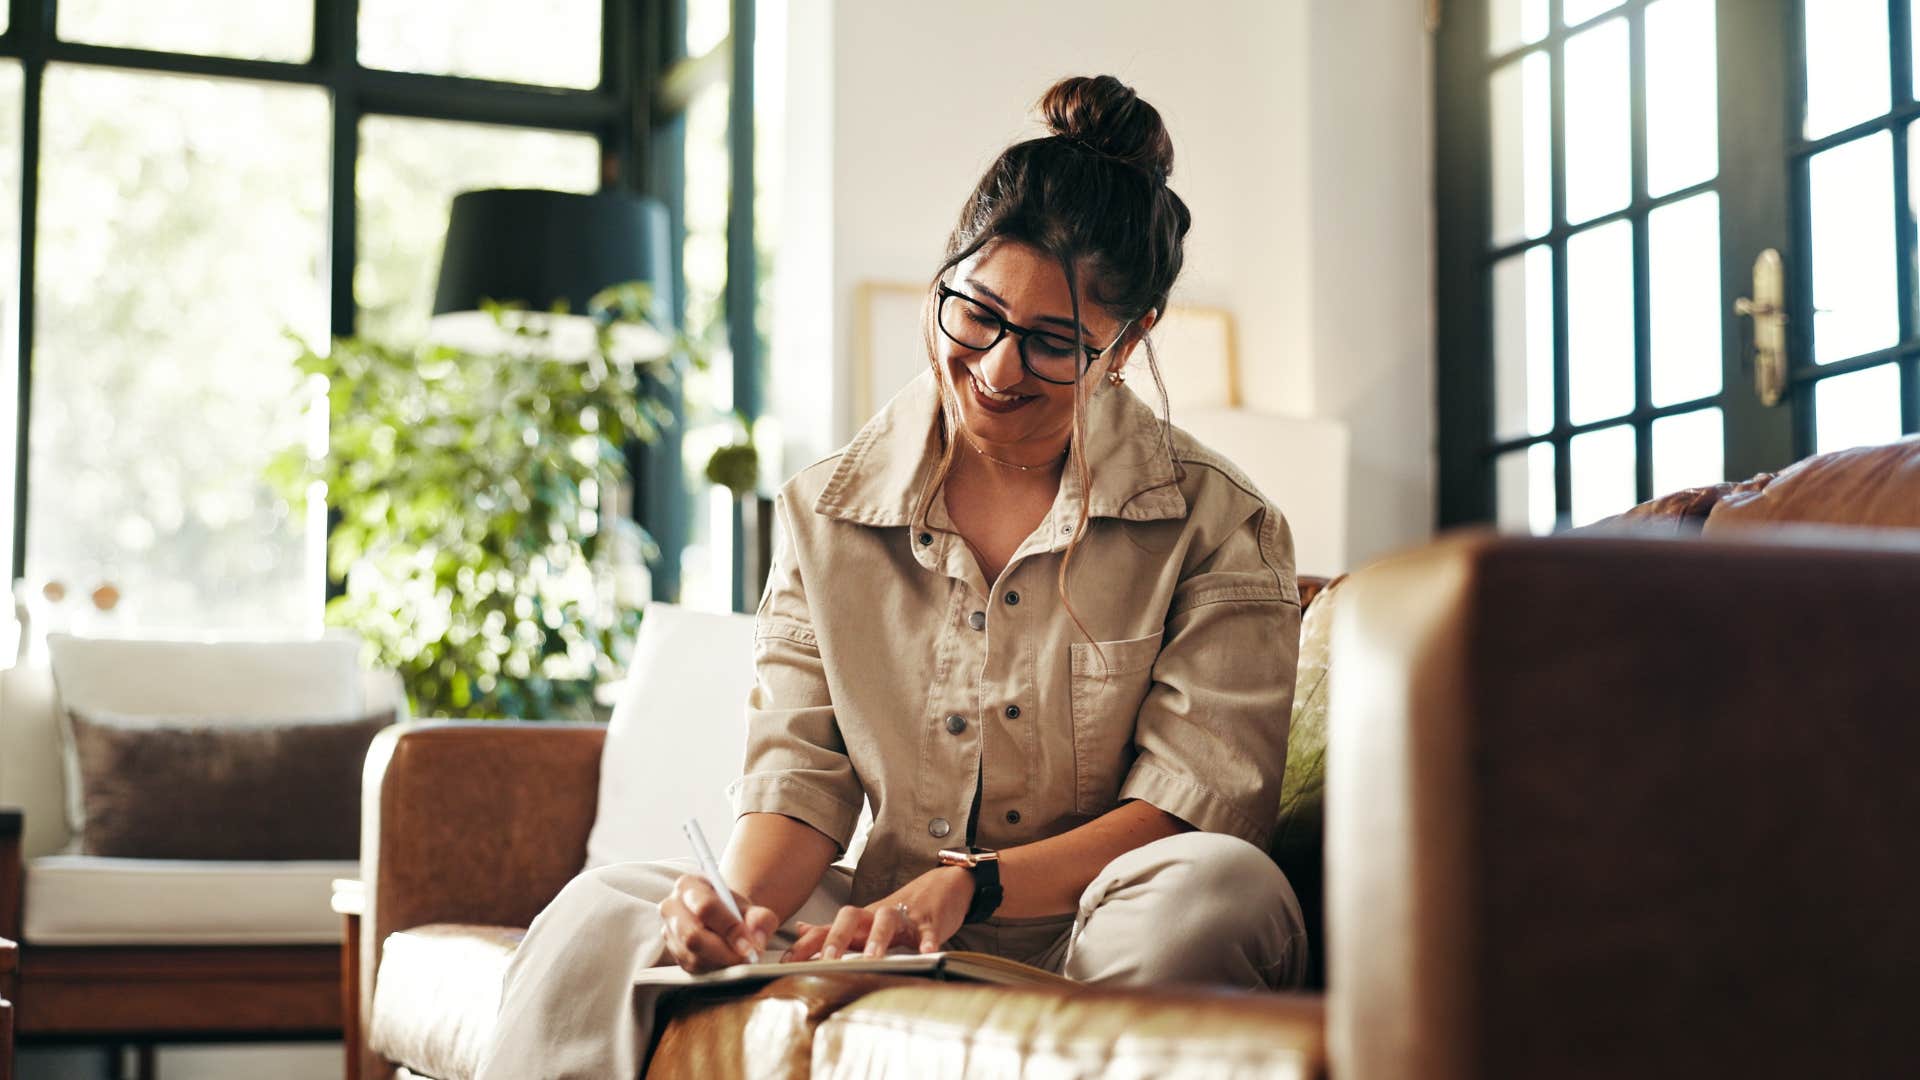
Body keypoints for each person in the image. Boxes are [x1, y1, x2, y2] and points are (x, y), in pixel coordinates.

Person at [475, 73, 1306, 1079]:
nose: (999, 370)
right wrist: (740, 910)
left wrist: (977, 888)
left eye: (1054, 345)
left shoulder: (1223, 524)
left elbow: (1190, 806)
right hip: (877, 924)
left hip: (1093, 935)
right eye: (977, 315)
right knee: (602, 912)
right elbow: (799, 783)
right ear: (944, 278)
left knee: (1221, 887)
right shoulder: (823, 514)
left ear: (1127, 345)